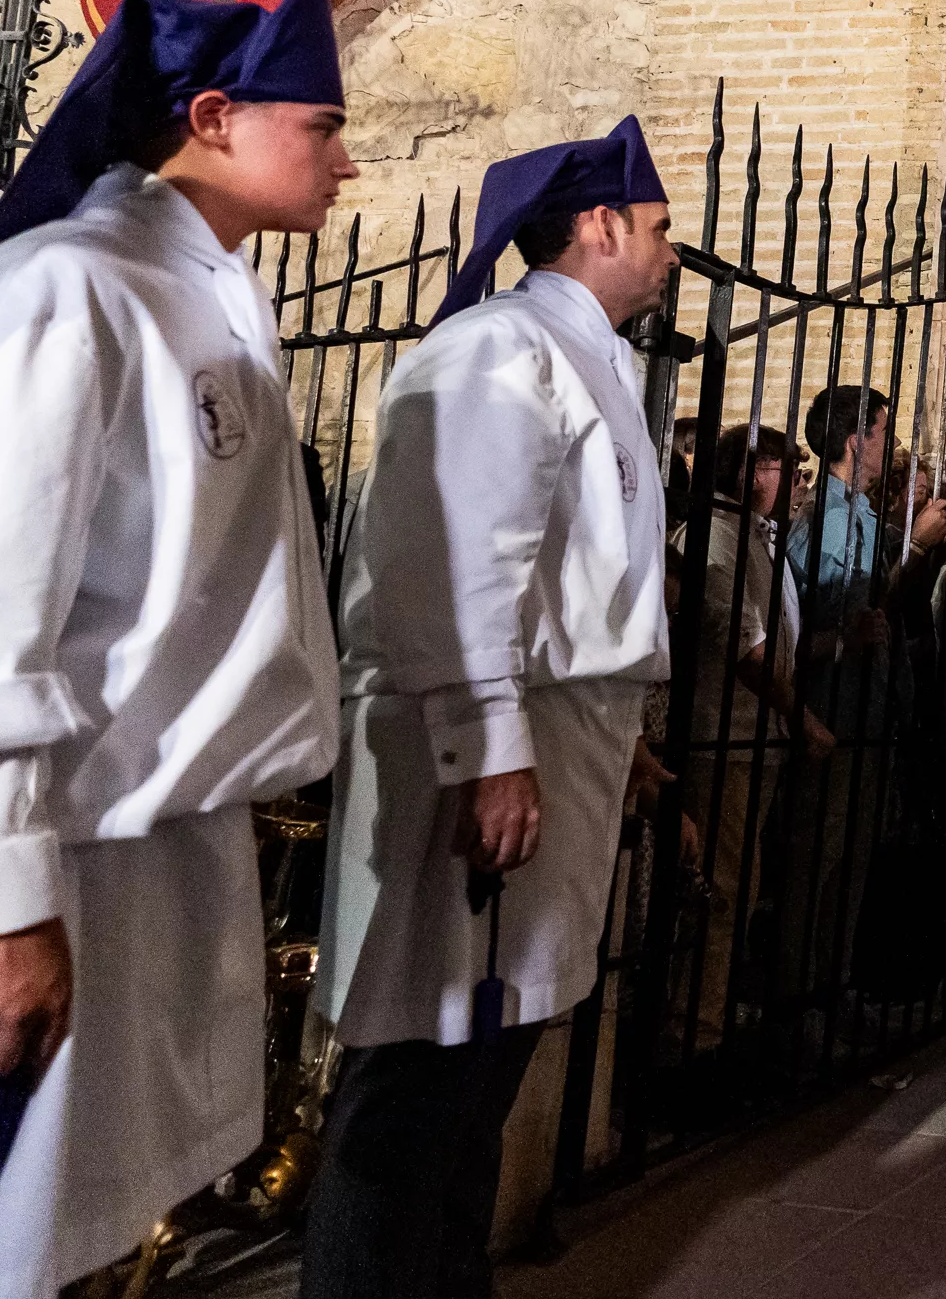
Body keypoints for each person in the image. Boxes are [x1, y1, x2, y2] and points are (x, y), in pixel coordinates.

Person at [0, 0, 352, 1297]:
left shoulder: (195, 297)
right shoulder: (62, 292)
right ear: (212, 116)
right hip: (52, 851)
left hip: (153, 837)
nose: (347, 156)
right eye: (320, 122)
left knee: (92, 1235)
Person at [306, 119, 678, 1299]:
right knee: (421, 1066)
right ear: (600, 224)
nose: (674, 251)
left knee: (488, 1061)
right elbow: (459, 558)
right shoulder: (497, 347)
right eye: (661, 229)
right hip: (478, 739)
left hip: (557, 728)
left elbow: (582, 571)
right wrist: (491, 746)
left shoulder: (593, 357)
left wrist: (619, 732)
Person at [786, 386, 946, 1004]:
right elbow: (831, 622)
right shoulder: (829, 521)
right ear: (856, 441)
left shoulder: (857, 514)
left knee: (849, 867)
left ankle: (833, 990)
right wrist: (914, 548)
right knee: (819, 867)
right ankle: (799, 1002)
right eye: (884, 433)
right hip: (836, 713)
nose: (891, 446)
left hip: (868, 712)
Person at [680, 423, 835, 1056]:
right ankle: (694, 1034)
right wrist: (802, 717)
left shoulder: (751, 540)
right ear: (744, 474)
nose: (788, 481)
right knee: (719, 890)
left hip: (753, 735)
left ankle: (709, 1017)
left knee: (738, 887)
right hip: (726, 737)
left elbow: (780, 639)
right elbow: (745, 645)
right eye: (775, 468)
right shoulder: (715, 539)